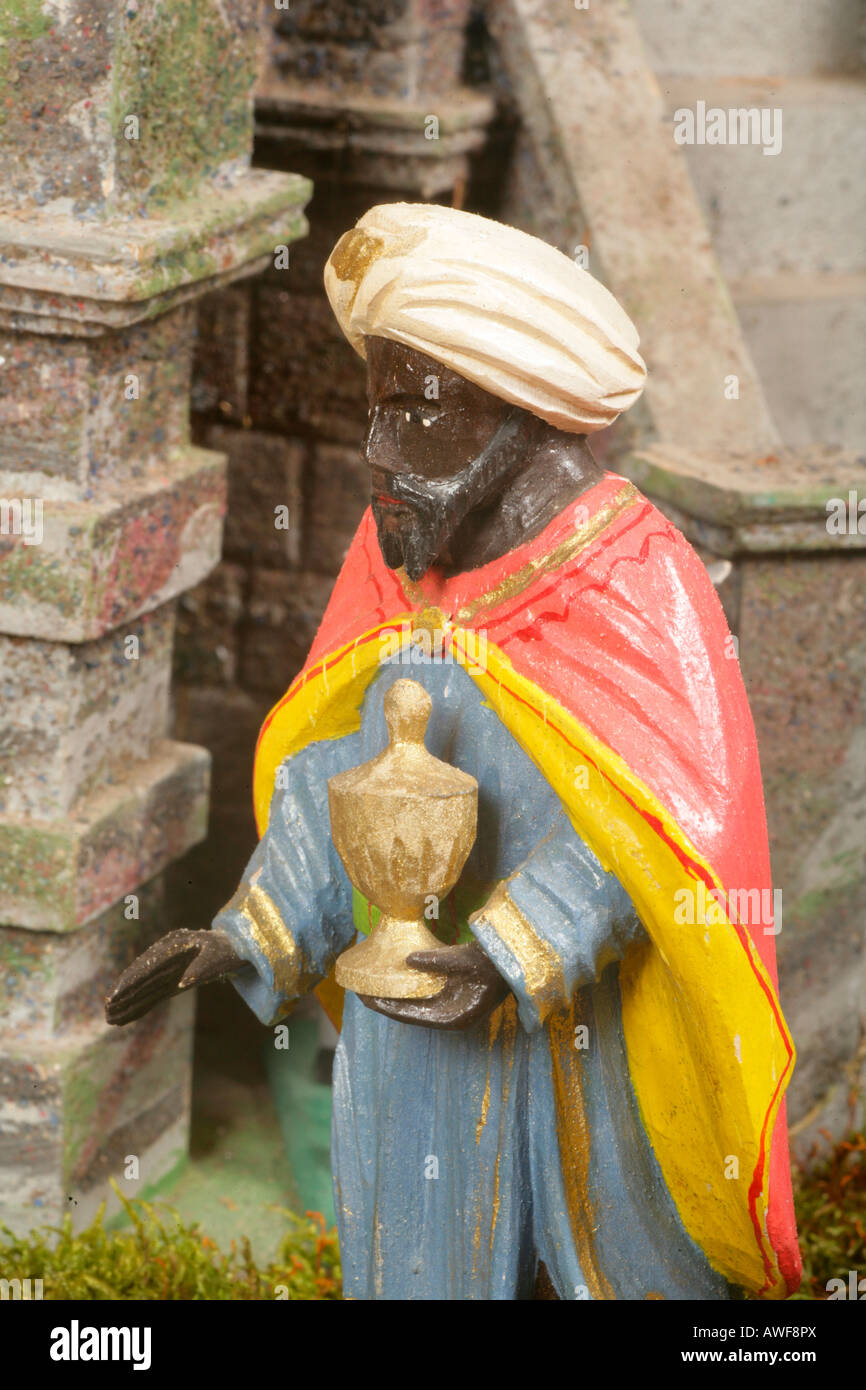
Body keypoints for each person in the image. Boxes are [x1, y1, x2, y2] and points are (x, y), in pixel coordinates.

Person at [107, 203, 800, 1301]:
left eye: (411, 412)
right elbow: (329, 782)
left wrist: (510, 955)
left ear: (517, 414)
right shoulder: (395, 565)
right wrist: (244, 933)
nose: (373, 454)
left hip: (575, 1040)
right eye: (371, 411)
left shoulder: (631, 578)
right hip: (410, 1030)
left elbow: (657, 832)